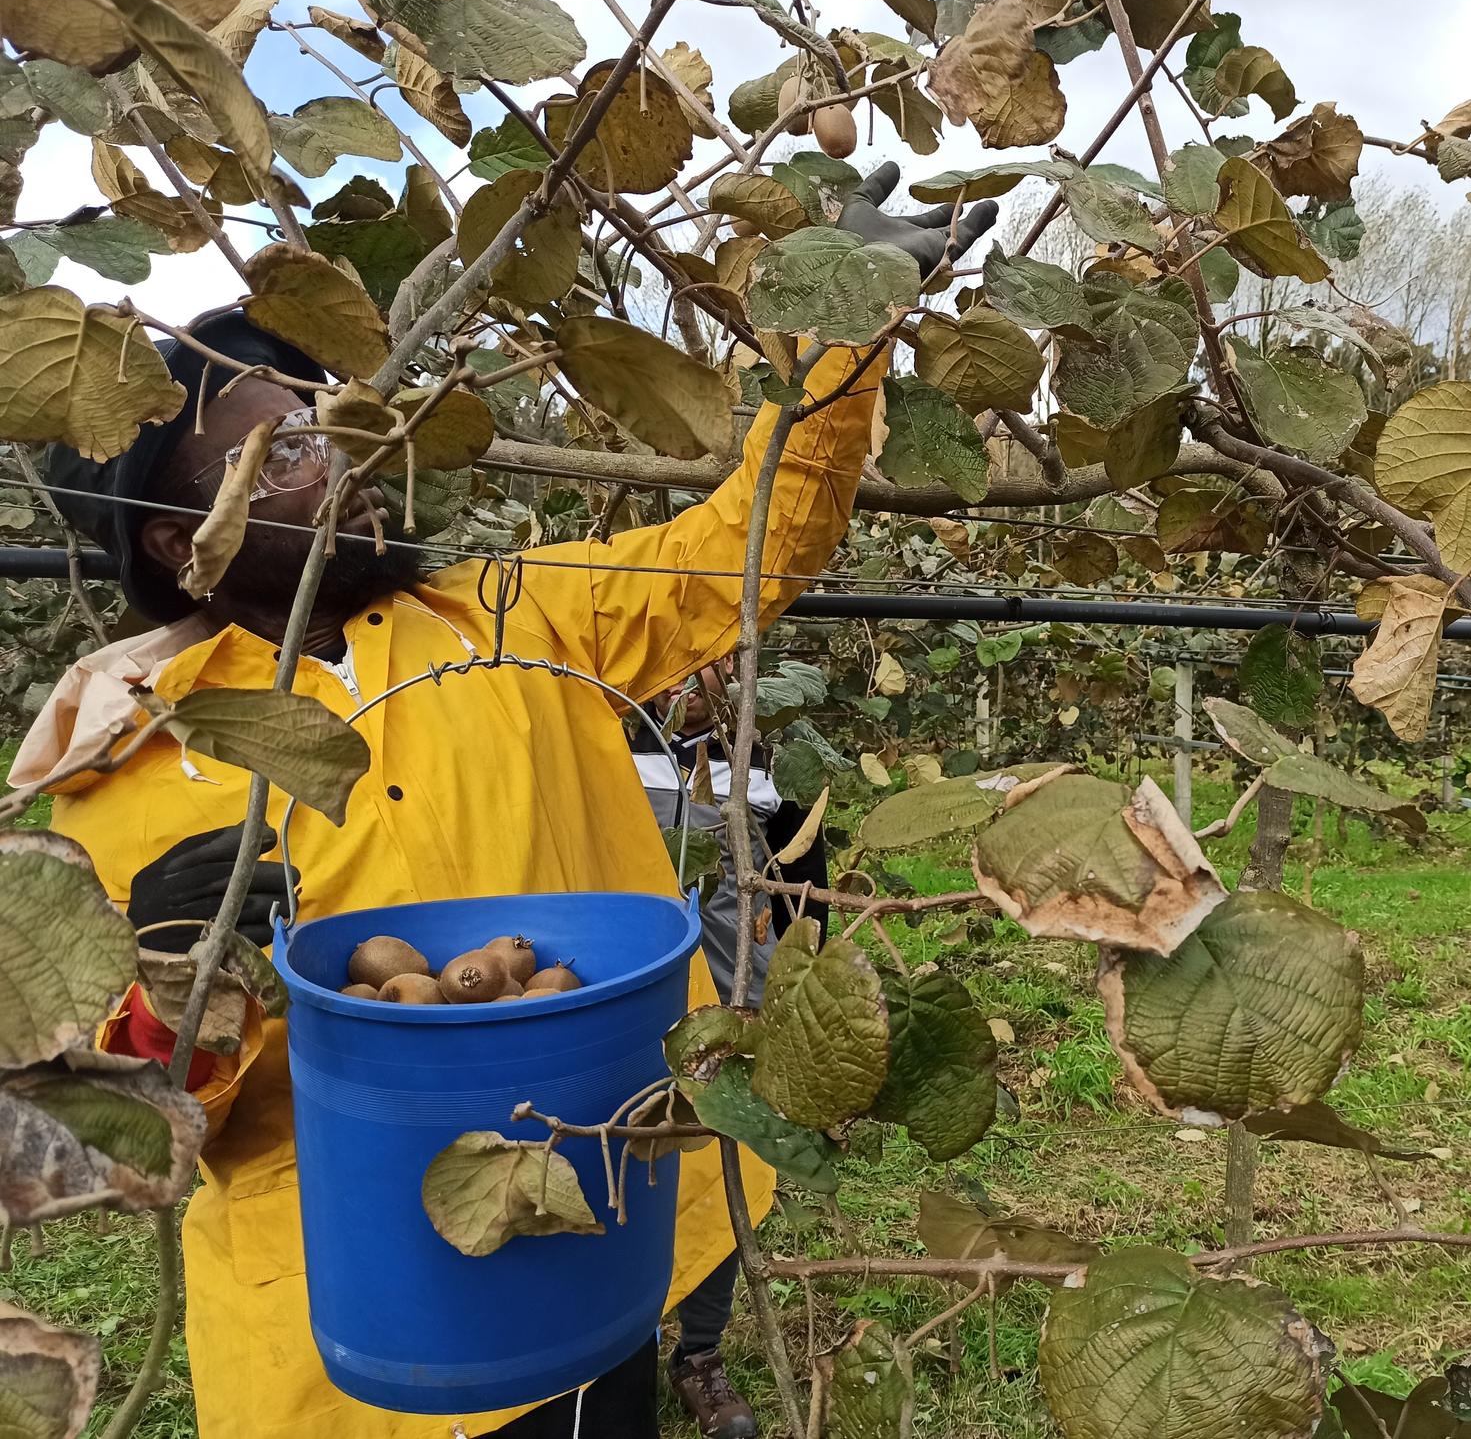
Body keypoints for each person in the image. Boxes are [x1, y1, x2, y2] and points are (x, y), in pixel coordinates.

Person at [9, 165, 996, 1439]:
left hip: (583, 1213)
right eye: (287, 448)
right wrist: (173, 978)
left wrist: (836, 331)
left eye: (329, 419)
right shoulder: (131, 765)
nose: (344, 457)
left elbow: (744, 545)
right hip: (344, 1322)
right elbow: (124, 1129)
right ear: (172, 532)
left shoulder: (514, 617)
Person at [631, 667, 830, 1436]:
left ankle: (700, 1353)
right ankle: (631, 1337)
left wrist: (799, 1005)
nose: (692, 681)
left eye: (709, 666)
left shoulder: (766, 761)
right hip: (634, 1000)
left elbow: (801, 891)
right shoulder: (603, 735)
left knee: (724, 1167)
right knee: (636, 1158)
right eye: (674, 668)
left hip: (728, 1009)